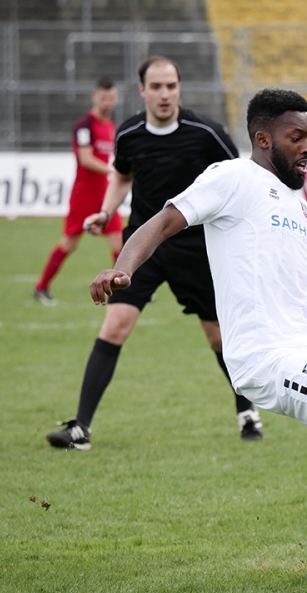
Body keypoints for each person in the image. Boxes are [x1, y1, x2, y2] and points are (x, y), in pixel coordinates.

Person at [89, 88, 307, 588]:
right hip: (265, 357)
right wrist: (123, 267)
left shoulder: (302, 210)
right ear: (263, 138)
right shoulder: (232, 178)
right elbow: (163, 221)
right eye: (296, 137)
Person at [45, 56, 263, 450]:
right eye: (157, 87)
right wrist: (106, 211)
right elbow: (122, 176)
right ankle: (81, 429)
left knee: (218, 337)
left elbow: (238, 181)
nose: (165, 94)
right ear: (142, 90)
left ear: (179, 89)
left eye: (171, 86)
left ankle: (246, 411)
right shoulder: (128, 134)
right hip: (142, 247)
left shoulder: (206, 133)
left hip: (196, 249)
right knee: (114, 326)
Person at [33, 77, 123, 305]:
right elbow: (85, 159)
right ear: (95, 97)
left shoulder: (111, 127)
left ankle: (125, 291)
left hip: (105, 195)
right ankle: (41, 287)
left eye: (111, 98)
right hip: (84, 195)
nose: (107, 102)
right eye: (103, 98)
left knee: (118, 242)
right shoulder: (85, 125)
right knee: (69, 243)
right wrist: (112, 169)